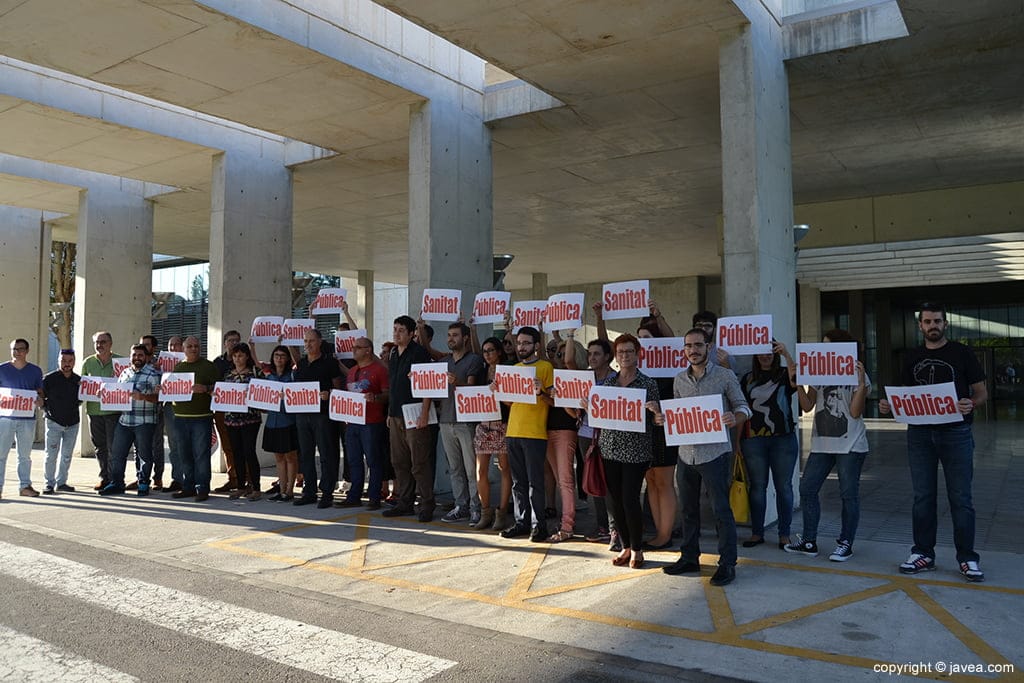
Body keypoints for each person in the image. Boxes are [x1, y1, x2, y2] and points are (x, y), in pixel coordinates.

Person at [879, 303, 987, 582]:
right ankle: (923, 553)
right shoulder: (913, 357)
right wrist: (889, 405)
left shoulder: (962, 353)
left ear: (945, 323)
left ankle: (967, 558)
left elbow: (981, 392)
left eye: (937, 321)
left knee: (961, 497)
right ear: (920, 326)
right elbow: (904, 394)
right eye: (927, 322)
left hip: (956, 433)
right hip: (920, 434)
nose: (932, 326)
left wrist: (971, 403)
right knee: (922, 497)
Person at [659, 327, 750, 587]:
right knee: (688, 509)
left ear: (708, 346)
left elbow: (743, 407)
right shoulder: (679, 380)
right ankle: (689, 557)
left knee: (721, 510)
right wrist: (664, 418)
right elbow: (677, 414)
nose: (693, 350)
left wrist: (735, 417)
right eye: (688, 346)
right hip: (686, 454)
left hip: (715, 454)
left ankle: (727, 564)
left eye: (698, 345)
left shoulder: (724, 375)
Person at [786, 329, 870, 563]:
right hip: (822, 444)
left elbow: (854, 412)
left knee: (848, 495)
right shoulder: (818, 370)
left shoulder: (857, 373)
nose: (822, 349)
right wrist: (798, 384)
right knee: (807, 489)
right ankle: (809, 540)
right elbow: (806, 405)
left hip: (851, 446)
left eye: (827, 345)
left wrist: (861, 384)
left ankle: (846, 543)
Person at [598, 334, 660, 569]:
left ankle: (637, 549)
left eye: (629, 351)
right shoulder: (608, 384)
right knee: (614, 502)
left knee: (630, 499)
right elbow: (600, 414)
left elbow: (657, 422)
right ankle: (625, 546)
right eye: (621, 352)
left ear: (638, 354)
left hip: (636, 451)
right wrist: (589, 407)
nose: (624, 356)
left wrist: (655, 413)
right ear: (616, 355)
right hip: (610, 449)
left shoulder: (648, 384)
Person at [496, 326, 554, 543]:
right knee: (517, 482)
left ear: (537, 345)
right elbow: (510, 402)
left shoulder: (546, 367)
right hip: (513, 431)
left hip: (535, 433)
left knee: (534, 482)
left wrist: (542, 391)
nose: (521, 347)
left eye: (526, 343)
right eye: (519, 343)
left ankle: (539, 525)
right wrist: (498, 391)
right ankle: (522, 522)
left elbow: (554, 401)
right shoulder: (515, 368)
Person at [739, 340, 798, 549]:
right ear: (755, 355)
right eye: (761, 352)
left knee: (784, 488)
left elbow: (796, 382)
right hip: (753, 440)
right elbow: (741, 409)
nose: (765, 356)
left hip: (783, 439)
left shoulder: (784, 374)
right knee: (757, 487)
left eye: (770, 352)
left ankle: (784, 535)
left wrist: (787, 354)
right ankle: (757, 533)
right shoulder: (747, 378)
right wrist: (738, 441)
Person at [432, 323, 486, 525]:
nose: (450, 338)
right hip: (446, 420)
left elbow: (472, 388)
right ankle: (460, 505)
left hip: (466, 422)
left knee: (472, 469)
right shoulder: (444, 361)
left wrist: (457, 383)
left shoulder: (474, 360)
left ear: (465, 338)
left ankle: (476, 508)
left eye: (455, 335)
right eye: (448, 335)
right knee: (455, 468)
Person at [382, 316, 435, 522]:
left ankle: (426, 504)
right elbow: (393, 385)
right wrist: (389, 412)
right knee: (399, 461)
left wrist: (424, 412)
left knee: (419, 462)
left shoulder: (419, 353)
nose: (396, 333)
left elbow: (427, 385)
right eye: (395, 329)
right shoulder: (394, 353)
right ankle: (404, 502)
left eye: (401, 330)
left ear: (412, 333)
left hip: (415, 415)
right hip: (395, 414)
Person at [291, 329, 343, 508]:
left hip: (323, 415)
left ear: (320, 342)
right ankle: (309, 491)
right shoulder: (301, 364)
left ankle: (327, 492)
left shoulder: (329, 363)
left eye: (311, 341)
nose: (307, 345)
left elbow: (339, 389)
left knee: (326, 453)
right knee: (305, 454)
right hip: (302, 415)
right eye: (305, 341)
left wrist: (329, 394)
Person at [100, 344, 162, 496]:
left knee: (144, 455)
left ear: (146, 357)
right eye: (134, 355)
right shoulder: (124, 373)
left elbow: (159, 398)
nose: (136, 358)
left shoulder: (153, 374)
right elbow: (118, 394)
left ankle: (143, 483)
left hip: (145, 421)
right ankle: (117, 483)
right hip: (125, 420)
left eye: (140, 355)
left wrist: (143, 396)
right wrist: (104, 394)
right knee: (117, 453)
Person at [336, 337, 389, 510]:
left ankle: (374, 496)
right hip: (353, 422)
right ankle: (354, 495)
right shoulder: (352, 371)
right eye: (353, 347)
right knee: (354, 460)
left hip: (372, 422)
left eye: (358, 347)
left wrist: (375, 398)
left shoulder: (379, 370)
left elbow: (388, 394)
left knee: (373, 460)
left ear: (368, 350)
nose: (354, 350)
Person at [577, 338, 619, 549]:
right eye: (590, 354)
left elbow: (614, 413)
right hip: (585, 435)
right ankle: (602, 527)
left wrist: (590, 409)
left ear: (607, 356)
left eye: (596, 354)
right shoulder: (584, 379)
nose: (592, 358)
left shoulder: (615, 379)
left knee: (610, 484)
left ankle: (615, 529)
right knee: (593, 482)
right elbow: (575, 411)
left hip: (608, 437)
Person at [544, 333, 585, 542]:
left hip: (565, 431)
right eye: (554, 352)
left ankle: (567, 526)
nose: (556, 356)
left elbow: (574, 414)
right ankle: (565, 521)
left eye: (561, 352)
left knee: (566, 480)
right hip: (548, 430)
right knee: (560, 480)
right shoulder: (553, 374)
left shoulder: (575, 375)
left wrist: (568, 335)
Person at [170, 336, 221, 502]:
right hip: (180, 418)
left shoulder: (209, 367)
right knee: (184, 454)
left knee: (201, 455)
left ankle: (202, 488)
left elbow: (222, 389)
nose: (193, 349)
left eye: (196, 346)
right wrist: (163, 389)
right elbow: (171, 389)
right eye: (190, 346)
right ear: (183, 349)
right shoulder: (178, 368)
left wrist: (205, 388)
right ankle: (188, 487)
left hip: (201, 418)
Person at [471, 336, 513, 531]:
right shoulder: (480, 371)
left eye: (490, 350)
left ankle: (502, 513)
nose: (487, 354)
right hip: (483, 423)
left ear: (499, 352)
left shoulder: (508, 371)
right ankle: (485, 511)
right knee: (480, 470)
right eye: (485, 351)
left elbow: (512, 401)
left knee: (505, 468)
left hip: (503, 423)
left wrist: (501, 391)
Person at [0, 338, 44, 498]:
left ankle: (25, 486)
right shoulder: (2, 369)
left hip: (27, 419)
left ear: (27, 350)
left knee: (24, 456)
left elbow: (40, 391)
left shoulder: (35, 371)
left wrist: (40, 400)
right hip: (5, 419)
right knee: (1, 454)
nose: (17, 352)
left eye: (20, 349)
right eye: (14, 349)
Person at [223, 343, 265, 501]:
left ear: (247, 356)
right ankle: (240, 486)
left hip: (250, 419)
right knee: (236, 453)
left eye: (240, 355)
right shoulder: (228, 375)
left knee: (249, 452)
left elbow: (264, 391)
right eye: (234, 356)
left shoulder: (255, 373)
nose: (237, 359)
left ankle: (256, 487)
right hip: (231, 420)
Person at [82, 330, 120, 490]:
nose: (99, 345)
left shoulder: (120, 361)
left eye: (103, 342)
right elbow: (82, 385)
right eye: (97, 342)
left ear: (110, 344)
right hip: (94, 412)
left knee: (114, 447)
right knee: (100, 447)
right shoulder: (88, 362)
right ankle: (104, 477)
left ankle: (115, 478)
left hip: (113, 412)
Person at [41, 348, 81, 494]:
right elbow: (40, 398)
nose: (67, 364)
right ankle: (49, 483)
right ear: (58, 360)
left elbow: (82, 399)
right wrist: (45, 409)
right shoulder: (48, 379)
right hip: (53, 422)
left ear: (74, 362)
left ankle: (62, 482)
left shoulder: (79, 381)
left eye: (70, 361)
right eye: (63, 360)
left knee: (66, 455)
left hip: (72, 423)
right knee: (51, 454)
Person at [212, 329, 242, 492]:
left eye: (236, 340)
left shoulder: (245, 360)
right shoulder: (217, 362)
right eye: (230, 340)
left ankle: (247, 479)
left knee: (243, 445)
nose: (234, 343)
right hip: (222, 409)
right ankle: (233, 478)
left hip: (241, 410)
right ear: (225, 343)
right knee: (227, 446)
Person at [136, 334, 166, 490]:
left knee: (156, 445)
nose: (144, 347)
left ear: (153, 348)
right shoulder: (134, 363)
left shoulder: (160, 365)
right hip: (137, 413)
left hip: (155, 411)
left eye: (147, 345)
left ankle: (157, 477)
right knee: (139, 446)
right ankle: (140, 476)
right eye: (141, 344)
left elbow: (166, 384)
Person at [161, 336, 184, 492]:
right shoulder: (161, 364)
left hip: (187, 409)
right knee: (174, 444)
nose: (174, 348)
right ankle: (177, 478)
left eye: (177, 345)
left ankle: (190, 478)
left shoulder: (189, 363)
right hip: (169, 407)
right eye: (171, 345)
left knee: (187, 445)